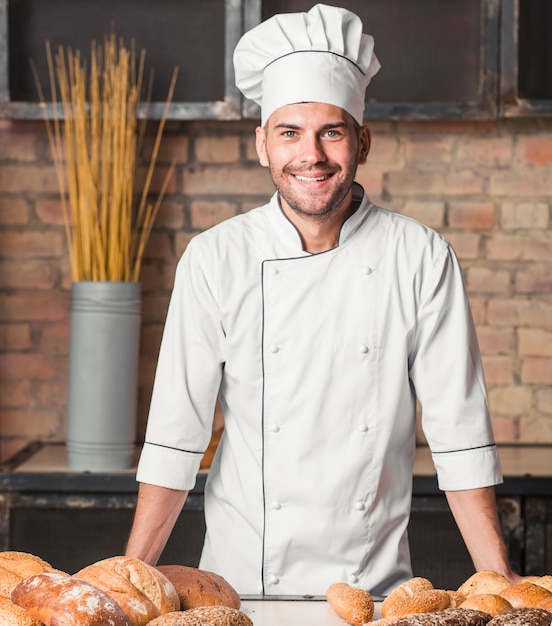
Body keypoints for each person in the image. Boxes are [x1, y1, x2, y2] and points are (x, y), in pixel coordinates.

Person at [125, 3, 521, 596]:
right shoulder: (216, 259)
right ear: (263, 145)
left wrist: (501, 579)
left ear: (362, 140)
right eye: (290, 133)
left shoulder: (419, 256)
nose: (310, 155)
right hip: (238, 589)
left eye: (331, 132)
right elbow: (176, 435)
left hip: (374, 591)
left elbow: (458, 433)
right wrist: (131, 578)